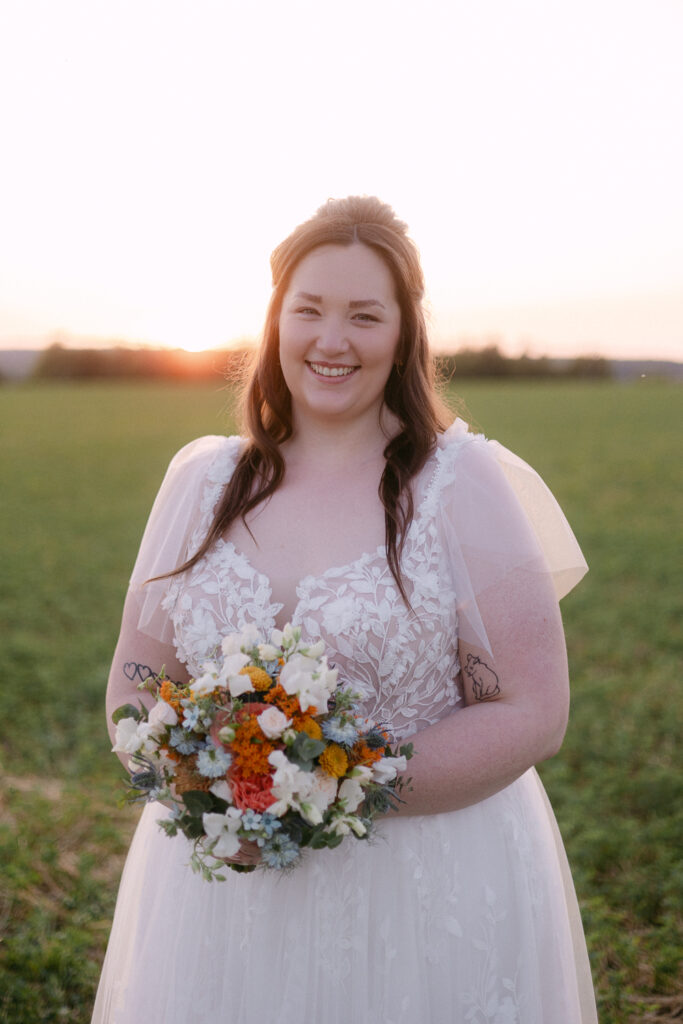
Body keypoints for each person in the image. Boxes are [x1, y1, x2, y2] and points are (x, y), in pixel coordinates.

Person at [92, 196, 597, 1023]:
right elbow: (137, 678)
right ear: (275, 322)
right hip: (224, 887)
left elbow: (533, 710)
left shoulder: (462, 485)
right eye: (309, 311)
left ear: (403, 334)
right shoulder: (200, 485)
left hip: (422, 886)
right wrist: (198, 793)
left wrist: (334, 789)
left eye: (365, 315)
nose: (332, 341)